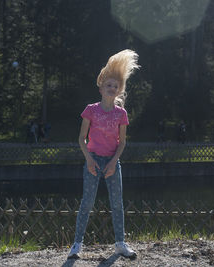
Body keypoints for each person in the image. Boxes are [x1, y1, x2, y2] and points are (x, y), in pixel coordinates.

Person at [68, 49, 140, 260]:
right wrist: (89, 160)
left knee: (117, 203)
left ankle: (120, 244)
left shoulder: (121, 114)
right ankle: (76, 245)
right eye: (108, 85)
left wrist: (113, 163)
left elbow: (122, 142)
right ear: (100, 87)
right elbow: (81, 139)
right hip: (92, 161)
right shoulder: (90, 110)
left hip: (112, 163)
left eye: (115, 86)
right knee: (87, 203)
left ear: (119, 91)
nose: (112, 88)